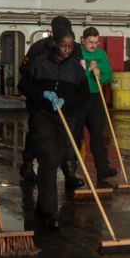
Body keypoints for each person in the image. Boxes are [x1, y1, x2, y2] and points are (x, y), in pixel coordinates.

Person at [18, 28, 89, 228]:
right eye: (64, 46)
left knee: (56, 157)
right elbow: (23, 86)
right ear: (54, 43)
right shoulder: (38, 64)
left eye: (71, 46)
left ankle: (43, 204)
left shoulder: (76, 68)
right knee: (49, 157)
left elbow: (84, 95)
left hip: (66, 116)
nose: (67, 50)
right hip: (42, 115)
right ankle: (50, 211)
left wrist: (66, 102)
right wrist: (43, 95)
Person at [17, 15, 84, 190]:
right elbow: (24, 72)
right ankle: (28, 163)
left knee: (67, 138)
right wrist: (40, 93)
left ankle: (69, 170)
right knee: (37, 135)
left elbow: (78, 74)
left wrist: (67, 99)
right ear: (53, 35)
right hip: (40, 104)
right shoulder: (38, 49)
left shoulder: (75, 49)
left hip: (65, 104)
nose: (66, 49)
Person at [73, 26, 117, 184]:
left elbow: (108, 75)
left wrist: (99, 73)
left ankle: (103, 168)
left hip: (95, 97)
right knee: (75, 135)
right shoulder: (75, 53)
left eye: (96, 42)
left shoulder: (101, 54)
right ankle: (71, 170)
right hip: (78, 98)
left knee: (98, 134)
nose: (93, 45)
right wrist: (87, 71)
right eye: (90, 42)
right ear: (82, 40)